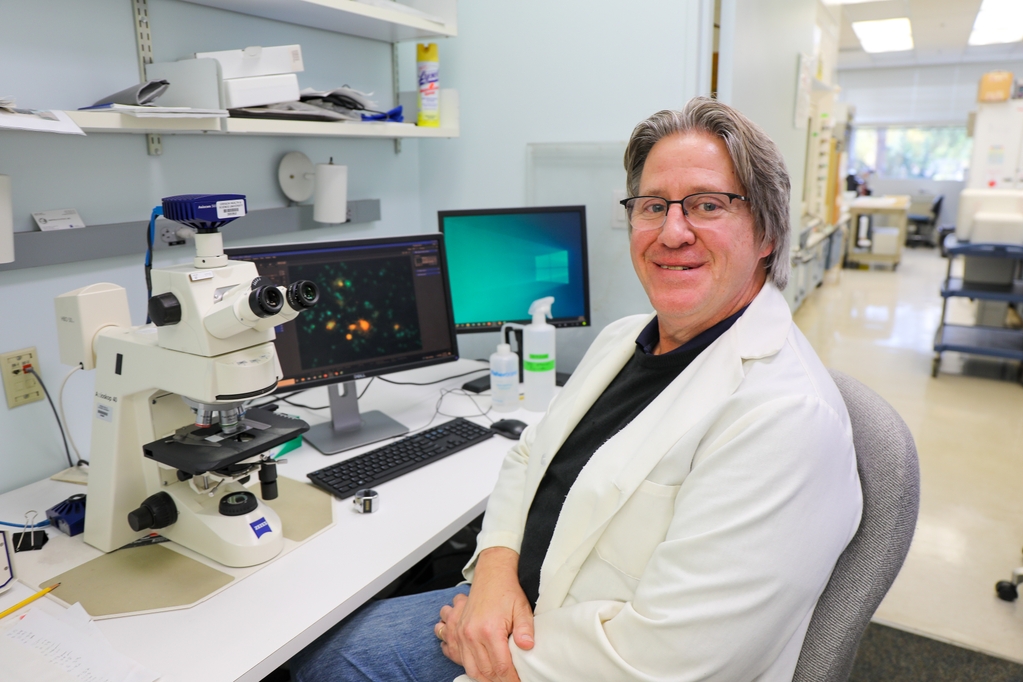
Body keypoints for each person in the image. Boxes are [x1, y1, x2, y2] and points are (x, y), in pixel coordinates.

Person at [291, 97, 863, 682]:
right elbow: (527, 454)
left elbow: (674, 660)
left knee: (328, 666)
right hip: (513, 600)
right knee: (320, 654)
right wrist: (493, 569)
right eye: (652, 206)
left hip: (572, 661)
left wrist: (495, 657)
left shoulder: (785, 418)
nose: (672, 231)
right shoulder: (625, 340)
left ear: (767, 232)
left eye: (707, 205)